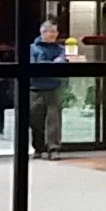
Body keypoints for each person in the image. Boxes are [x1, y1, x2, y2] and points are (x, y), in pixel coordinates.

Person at [29, 20, 68, 158]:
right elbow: (35, 66)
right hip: (35, 89)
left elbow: (63, 62)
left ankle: (53, 149)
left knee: (54, 120)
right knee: (36, 121)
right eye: (51, 32)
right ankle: (38, 148)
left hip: (54, 88)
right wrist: (52, 64)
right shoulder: (33, 48)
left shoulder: (60, 49)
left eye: (55, 32)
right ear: (43, 33)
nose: (54, 35)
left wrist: (51, 64)